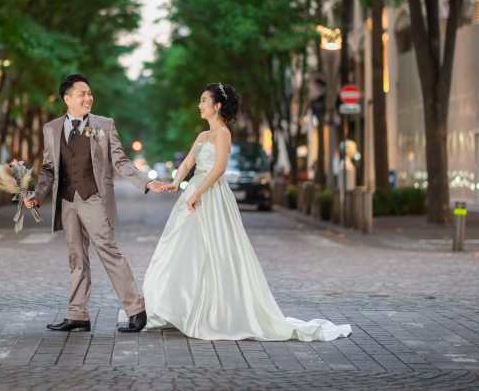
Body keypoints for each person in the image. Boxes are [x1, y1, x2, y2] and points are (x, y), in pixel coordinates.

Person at [142, 83, 351, 341]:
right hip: (194, 192)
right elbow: (187, 162)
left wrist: (197, 193)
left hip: (212, 195)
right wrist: (176, 183)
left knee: (217, 250)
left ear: (217, 105)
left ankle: (217, 312)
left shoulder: (223, 134)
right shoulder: (202, 136)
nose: (200, 105)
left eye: (204, 100)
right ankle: (182, 307)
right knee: (186, 248)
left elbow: (218, 168)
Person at [24, 74, 167, 333]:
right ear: (68, 99)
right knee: (76, 257)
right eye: (82, 94)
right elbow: (48, 168)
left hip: (93, 198)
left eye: (90, 93)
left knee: (109, 253)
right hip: (67, 201)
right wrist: (37, 193)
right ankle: (77, 314)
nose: (88, 98)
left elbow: (120, 161)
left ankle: (136, 310)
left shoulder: (104, 124)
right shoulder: (51, 128)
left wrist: (146, 182)